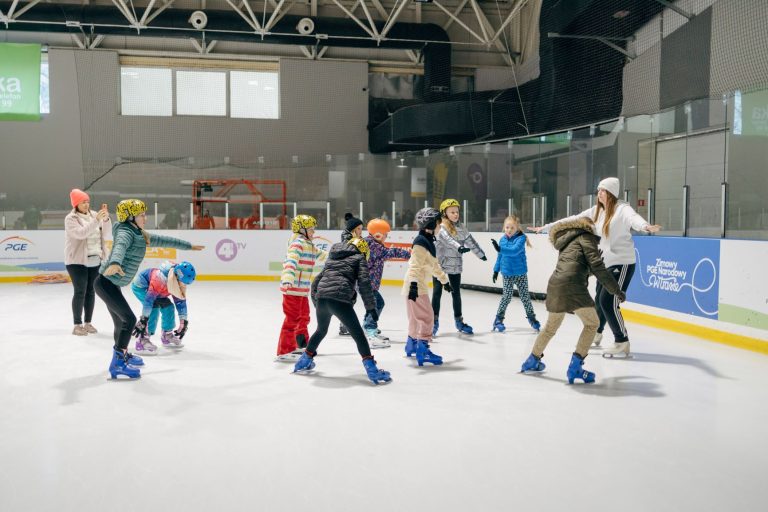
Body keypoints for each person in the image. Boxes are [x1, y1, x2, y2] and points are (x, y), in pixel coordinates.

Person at [532, 177, 661, 357]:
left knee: (608, 301)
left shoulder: (622, 209)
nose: (599, 193)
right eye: (599, 190)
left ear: (612, 193)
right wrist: (547, 227)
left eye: (603, 190)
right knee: (600, 300)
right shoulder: (596, 211)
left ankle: (622, 341)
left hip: (622, 262)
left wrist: (645, 226)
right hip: (604, 264)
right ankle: (597, 332)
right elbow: (573, 219)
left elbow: (634, 219)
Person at [94, 199, 203, 379]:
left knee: (121, 323)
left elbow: (164, 240)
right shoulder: (125, 233)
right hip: (105, 283)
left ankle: (123, 355)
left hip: (112, 284)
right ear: (130, 217)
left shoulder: (139, 234)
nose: (145, 217)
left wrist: (188, 246)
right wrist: (114, 262)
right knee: (128, 320)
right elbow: (120, 247)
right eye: (141, 215)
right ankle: (118, 364)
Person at [520, 217, 626, 383]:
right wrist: (616, 290)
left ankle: (532, 360)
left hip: (556, 284)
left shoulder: (567, 239)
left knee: (550, 327)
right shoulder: (586, 236)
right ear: (589, 227)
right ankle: (575, 367)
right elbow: (596, 266)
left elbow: (575, 265)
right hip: (573, 287)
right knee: (592, 324)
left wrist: (590, 269)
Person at [293, 238, 392, 385]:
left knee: (321, 330)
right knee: (358, 335)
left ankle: (303, 361)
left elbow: (316, 282)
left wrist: (318, 303)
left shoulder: (332, 258)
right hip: (339, 300)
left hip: (322, 299)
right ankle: (372, 370)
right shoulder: (359, 258)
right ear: (363, 250)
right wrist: (371, 308)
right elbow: (365, 284)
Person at [403, 207, 452, 366]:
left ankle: (411, 345)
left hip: (412, 284)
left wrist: (444, 281)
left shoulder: (426, 241)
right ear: (432, 224)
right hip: (416, 286)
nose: (441, 226)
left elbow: (433, 266)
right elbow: (415, 267)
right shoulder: (421, 243)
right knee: (427, 317)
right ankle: (422, 350)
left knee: (414, 317)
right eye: (439, 223)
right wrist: (414, 287)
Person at [433, 198, 487, 335]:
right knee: (437, 293)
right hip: (440, 265)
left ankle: (459, 321)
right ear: (445, 213)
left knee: (456, 293)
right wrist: (459, 247)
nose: (456, 214)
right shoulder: (441, 227)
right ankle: (433, 322)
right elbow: (447, 239)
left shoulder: (462, 228)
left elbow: (471, 241)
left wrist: (481, 254)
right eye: (452, 212)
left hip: (455, 265)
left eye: (457, 212)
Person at [276, 215, 326, 361]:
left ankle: (302, 344)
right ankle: (284, 351)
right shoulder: (297, 244)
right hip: (292, 289)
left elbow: (323, 256)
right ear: (301, 230)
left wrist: (339, 256)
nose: (313, 233)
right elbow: (290, 262)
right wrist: (287, 279)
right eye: (311, 230)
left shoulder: (309, 244)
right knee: (292, 319)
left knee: (304, 317)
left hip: (302, 291)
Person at [64, 189, 110, 336]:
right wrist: (96, 220)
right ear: (76, 204)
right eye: (83, 202)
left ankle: (88, 323)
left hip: (95, 258)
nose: (86, 204)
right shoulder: (71, 219)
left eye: (87, 201)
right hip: (76, 261)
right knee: (80, 291)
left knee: (91, 291)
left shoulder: (95, 214)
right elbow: (81, 233)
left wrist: (107, 219)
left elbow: (106, 233)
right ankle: (77, 324)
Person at [362, 218, 411, 348]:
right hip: (367, 283)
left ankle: (367, 327)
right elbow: (390, 252)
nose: (386, 237)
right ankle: (370, 331)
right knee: (377, 304)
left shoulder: (370, 243)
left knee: (374, 304)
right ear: (377, 234)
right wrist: (409, 254)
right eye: (385, 235)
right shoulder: (372, 245)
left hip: (368, 283)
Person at [131, 260, 196, 354]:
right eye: (182, 282)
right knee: (154, 308)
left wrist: (183, 321)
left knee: (169, 307)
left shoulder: (175, 280)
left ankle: (167, 335)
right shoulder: (159, 279)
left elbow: (180, 302)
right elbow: (148, 301)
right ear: (177, 277)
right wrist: (143, 319)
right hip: (141, 287)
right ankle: (142, 340)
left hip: (160, 291)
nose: (183, 285)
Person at [490, 215, 540, 332]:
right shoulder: (502, 240)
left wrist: (499, 249)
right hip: (507, 273)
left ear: (517, 228)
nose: (509, 230)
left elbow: (514, 251)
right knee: (506, 296)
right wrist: (496, 270)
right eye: (507, 227)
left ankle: (532, 318)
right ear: (504, 227)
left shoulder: (521, 238)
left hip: (520, 273)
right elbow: (500, 256)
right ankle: (498, 319)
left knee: (525, 297)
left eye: (512, 228)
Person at [338, 212, 363, 336]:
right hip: (347, 273)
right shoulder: (349, 239)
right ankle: (344, 325)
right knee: (348, 299)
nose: (361, 231)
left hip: (352, 273)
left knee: (351, 299)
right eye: (359, 229)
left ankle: (344, 324)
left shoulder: (355, 238)